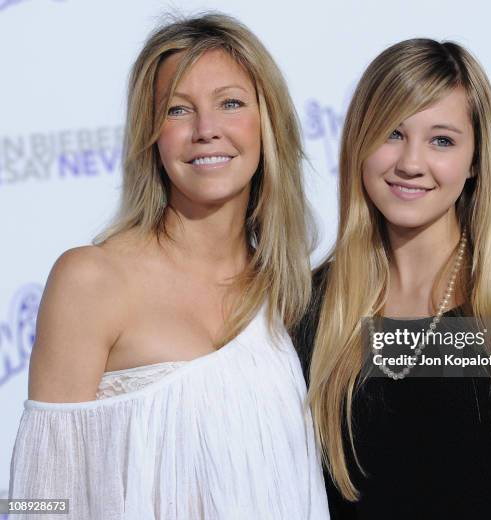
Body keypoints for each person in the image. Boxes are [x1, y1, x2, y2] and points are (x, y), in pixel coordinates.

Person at [10, 13, 329, 519]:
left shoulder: (292, 294)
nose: (207, 130)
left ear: (267, 123)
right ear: (151, 135)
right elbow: (39, 499)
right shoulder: (92, 281)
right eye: (179, 110)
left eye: (230, 103)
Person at [294, 39, 491, 519]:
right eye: (391, 134)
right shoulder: (318, 308)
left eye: (441, 140)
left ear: (476, 160)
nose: (411, 163)